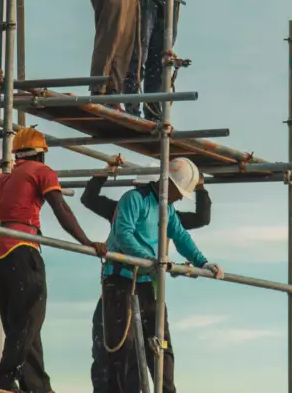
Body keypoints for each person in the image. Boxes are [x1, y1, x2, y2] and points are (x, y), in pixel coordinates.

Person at [0, 126, 107, 393]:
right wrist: (87, 242)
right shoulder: (41, 172)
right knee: (29, 320)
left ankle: (36, 385)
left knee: (21, 325)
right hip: (22, 249)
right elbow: (60, 208)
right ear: (41, 155)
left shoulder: (1, 180)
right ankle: (3, 379)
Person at [81, 157, 212, 393]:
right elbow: (123, 234)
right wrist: (149, 260)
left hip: (146, 282)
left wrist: (203, 262)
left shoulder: (167, 209)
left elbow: (181, 237)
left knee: (161, 344)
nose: (181, 197)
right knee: (124, 349)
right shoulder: (134, 200)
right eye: (180, 191)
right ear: (168, 183)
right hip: (121, 281)